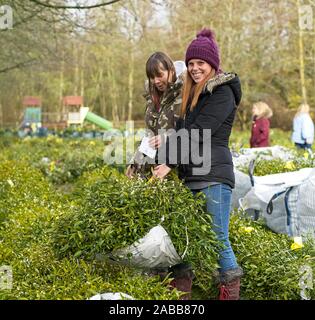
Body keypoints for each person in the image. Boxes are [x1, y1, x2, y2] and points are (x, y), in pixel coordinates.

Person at [153, 28, 243, 300]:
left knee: (218, 240)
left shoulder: (223, 93)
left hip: (214, 177)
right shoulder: (194, 97)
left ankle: (230, 295)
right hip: (192, 176)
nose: (194, 68)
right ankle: (181, 297)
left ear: (212, 65)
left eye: (200, 64)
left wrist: (169, 162)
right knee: (184, 238)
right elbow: (183, 132)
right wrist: (162, 146)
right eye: (190, 63)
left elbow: (199, 132)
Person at [125, 52, 184, 179]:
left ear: (171, 71)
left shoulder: (184, 95)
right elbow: (150, 136)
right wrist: (135, 161)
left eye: (159, 75)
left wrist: (166, 137)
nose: (156, 81)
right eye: (152, 77)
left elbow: (192, 131)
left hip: (173, 168)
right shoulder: (153, 98)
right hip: (153, 170)